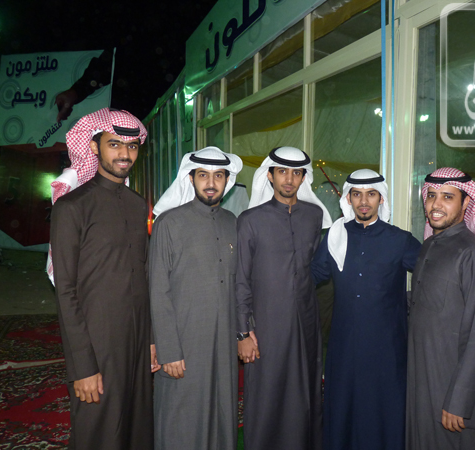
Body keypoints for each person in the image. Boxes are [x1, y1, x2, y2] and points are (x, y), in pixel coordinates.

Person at [50, 108, 158, 450]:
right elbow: (65, 291)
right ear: (94, 147)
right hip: (96, 340)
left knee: (136, 427)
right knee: (99, 430)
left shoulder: (138, 205)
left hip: (137, 338)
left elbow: (143, 276)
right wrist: (82, 366)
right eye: (114, 144)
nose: (125, 154)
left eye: (132, 146)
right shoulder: (72, 207)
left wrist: (151, 339)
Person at [311, 169, 421, 450]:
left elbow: (432, 272)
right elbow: (310, 276)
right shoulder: (335, 236)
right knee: (343, 407)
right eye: (357, 194)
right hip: (344, 344)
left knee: (382, 409)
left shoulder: (400, 239)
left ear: (381, 199)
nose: (363, 201)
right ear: (348, 198)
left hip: (386, 347)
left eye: (371, 194)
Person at [236, 146, 332, 450]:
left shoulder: (314, 215)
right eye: (282, 172)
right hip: (265, 326)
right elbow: (241, 280)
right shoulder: (250, 220)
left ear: (304, 178)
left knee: (304, 392)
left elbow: (313, 266)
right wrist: (243, 332)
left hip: (306, 323)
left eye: (296, 173)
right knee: (267, 394)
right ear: (270, 175)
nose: (289, 179)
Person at [148, 147, 243, 450]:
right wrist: (168, 350)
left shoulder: (232, 222)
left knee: (221, 411)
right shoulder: (169, 223)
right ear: (191, 178)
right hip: (183, 342)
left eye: (218, 176)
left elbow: (240, 283)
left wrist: (244, 332)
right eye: (203, 175)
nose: (211, 183)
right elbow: (157, 289)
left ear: (227, 180)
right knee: (180, 417)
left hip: (223, 342)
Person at [406, 167, 475, 450]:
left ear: (466, 202)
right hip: (422, 374)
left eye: (448, 197)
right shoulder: (430, 246)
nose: (436, 205)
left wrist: (459, 400)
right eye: (431, 196)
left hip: (450, 381)